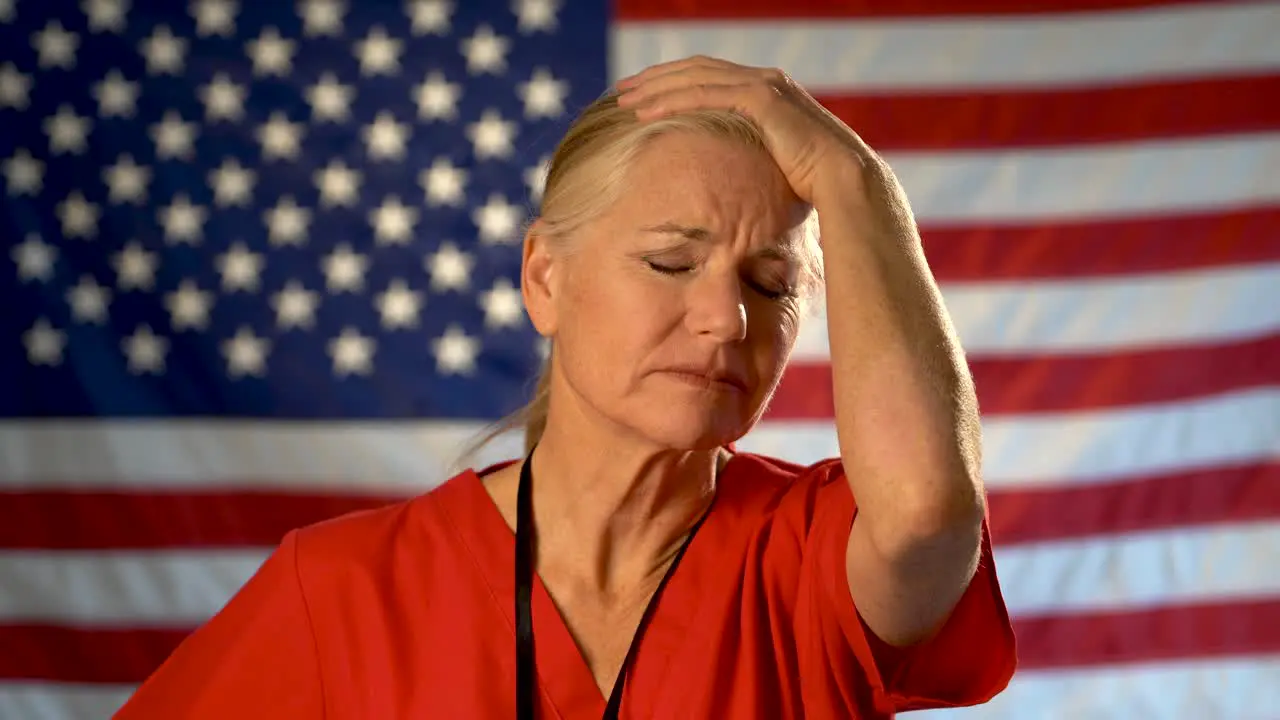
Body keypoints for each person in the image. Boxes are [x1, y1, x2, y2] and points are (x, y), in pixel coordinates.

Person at [115, 56, 1016, 719]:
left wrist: (854, 182)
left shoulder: (808, 564)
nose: (726, 318)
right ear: (544, 279)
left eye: (770, 285)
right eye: (671, 261)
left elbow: (931, 514)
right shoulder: (344, 590)